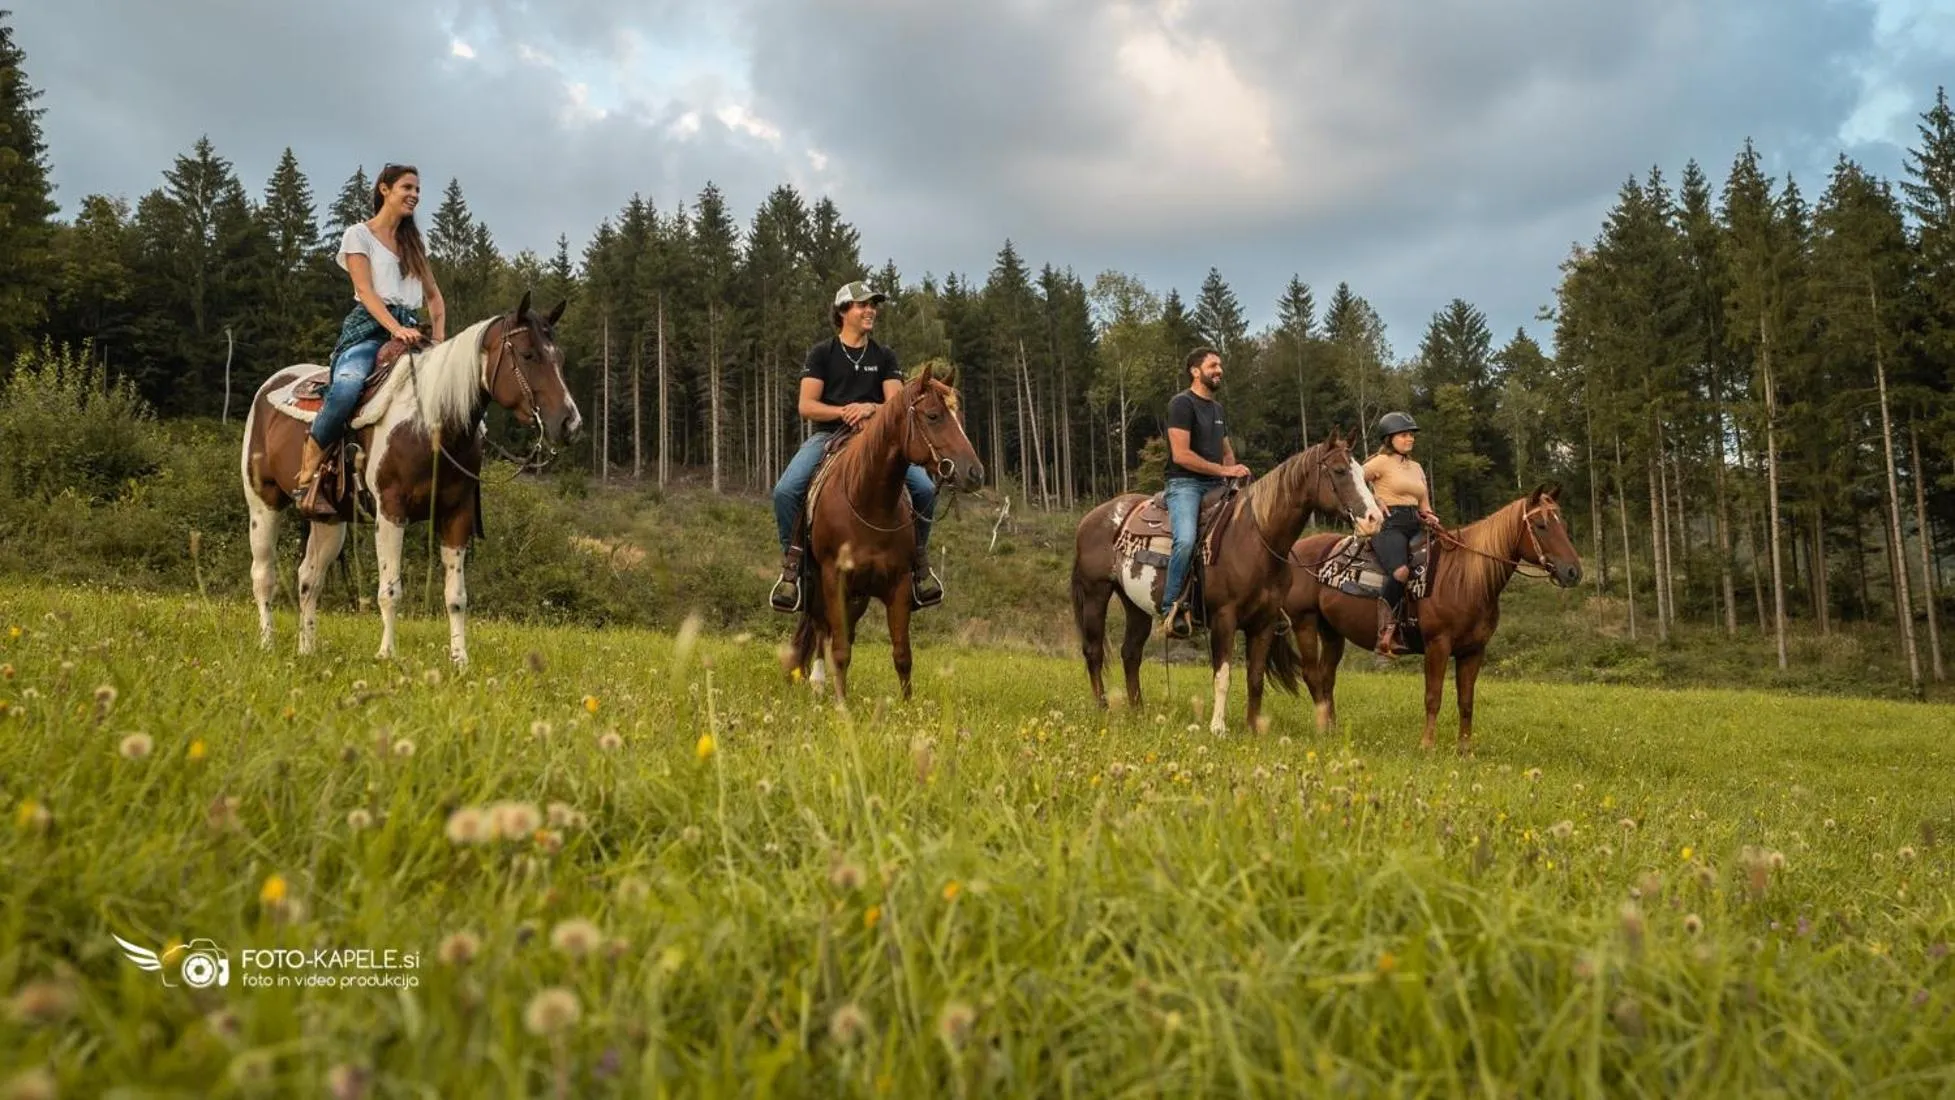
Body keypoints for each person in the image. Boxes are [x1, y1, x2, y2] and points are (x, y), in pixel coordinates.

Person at [768, 280, 941, 613]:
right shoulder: (822, 353)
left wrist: (870, 409)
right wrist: (844, 411)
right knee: (786, 491)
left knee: (923, 488)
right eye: (863, 305)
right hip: (829, 436)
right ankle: (794, 569)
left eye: (873, 305)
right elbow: (806, 405)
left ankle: (918, 566)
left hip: (876, 440)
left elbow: (896, 403)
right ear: (843, 311)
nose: (870, 311)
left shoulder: (884, 355)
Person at [296, 163, 446, 518]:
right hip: (369, 330)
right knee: (347, 388)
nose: (414, 195)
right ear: (384, 189)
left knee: (452, 393)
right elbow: (364, 290)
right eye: (407, 187)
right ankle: (307, 477)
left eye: (417, 190)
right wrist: (394, 328)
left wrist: (439, 341)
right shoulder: (358, 235)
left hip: (411, 332)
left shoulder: (414, 245)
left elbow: (436, 301)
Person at [1158, 347, 1249, 640]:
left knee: (1250, 532)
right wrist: (1223, 472)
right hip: (1185, 483)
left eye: (1220, 364)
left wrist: (1234, 474)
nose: (1219, 369)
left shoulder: (1218, 409)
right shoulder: (1181, 404)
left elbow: (1227, 453)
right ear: (1195, 371)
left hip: (1216, 485)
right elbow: (1181, 455)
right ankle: (1170, 606)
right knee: (1185, 540)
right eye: (1212, 365)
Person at [1362, 411, 1441, 658]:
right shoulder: (1379, 462)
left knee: (1438, 565)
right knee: (1401, 572)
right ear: (1390, 438)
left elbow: (1424, 502)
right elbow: (1353, 482)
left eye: (1412, 435)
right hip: (1388, 526)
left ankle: (1420, 624)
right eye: (1405, 435)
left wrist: (1430, 516)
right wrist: (1374, 499)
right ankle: (1385, 633)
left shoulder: (1417, 467)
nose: (1410, 439)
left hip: (1416, 524)